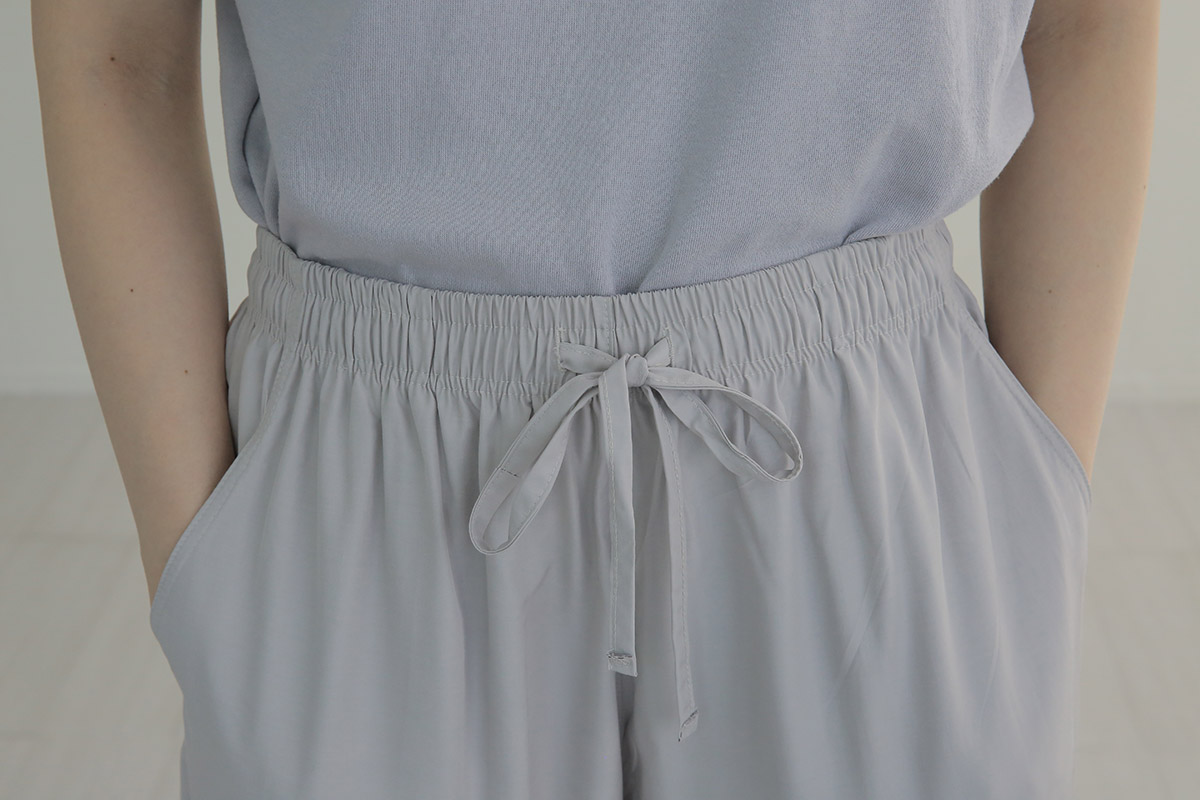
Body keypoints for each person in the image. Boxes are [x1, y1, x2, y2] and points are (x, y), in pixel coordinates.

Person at [31, 0, 1156, 797]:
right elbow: (116, 50)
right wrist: (200, 562)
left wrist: (1037, 486)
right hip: (367, 475)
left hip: (869, 450)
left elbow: (1087, 20)